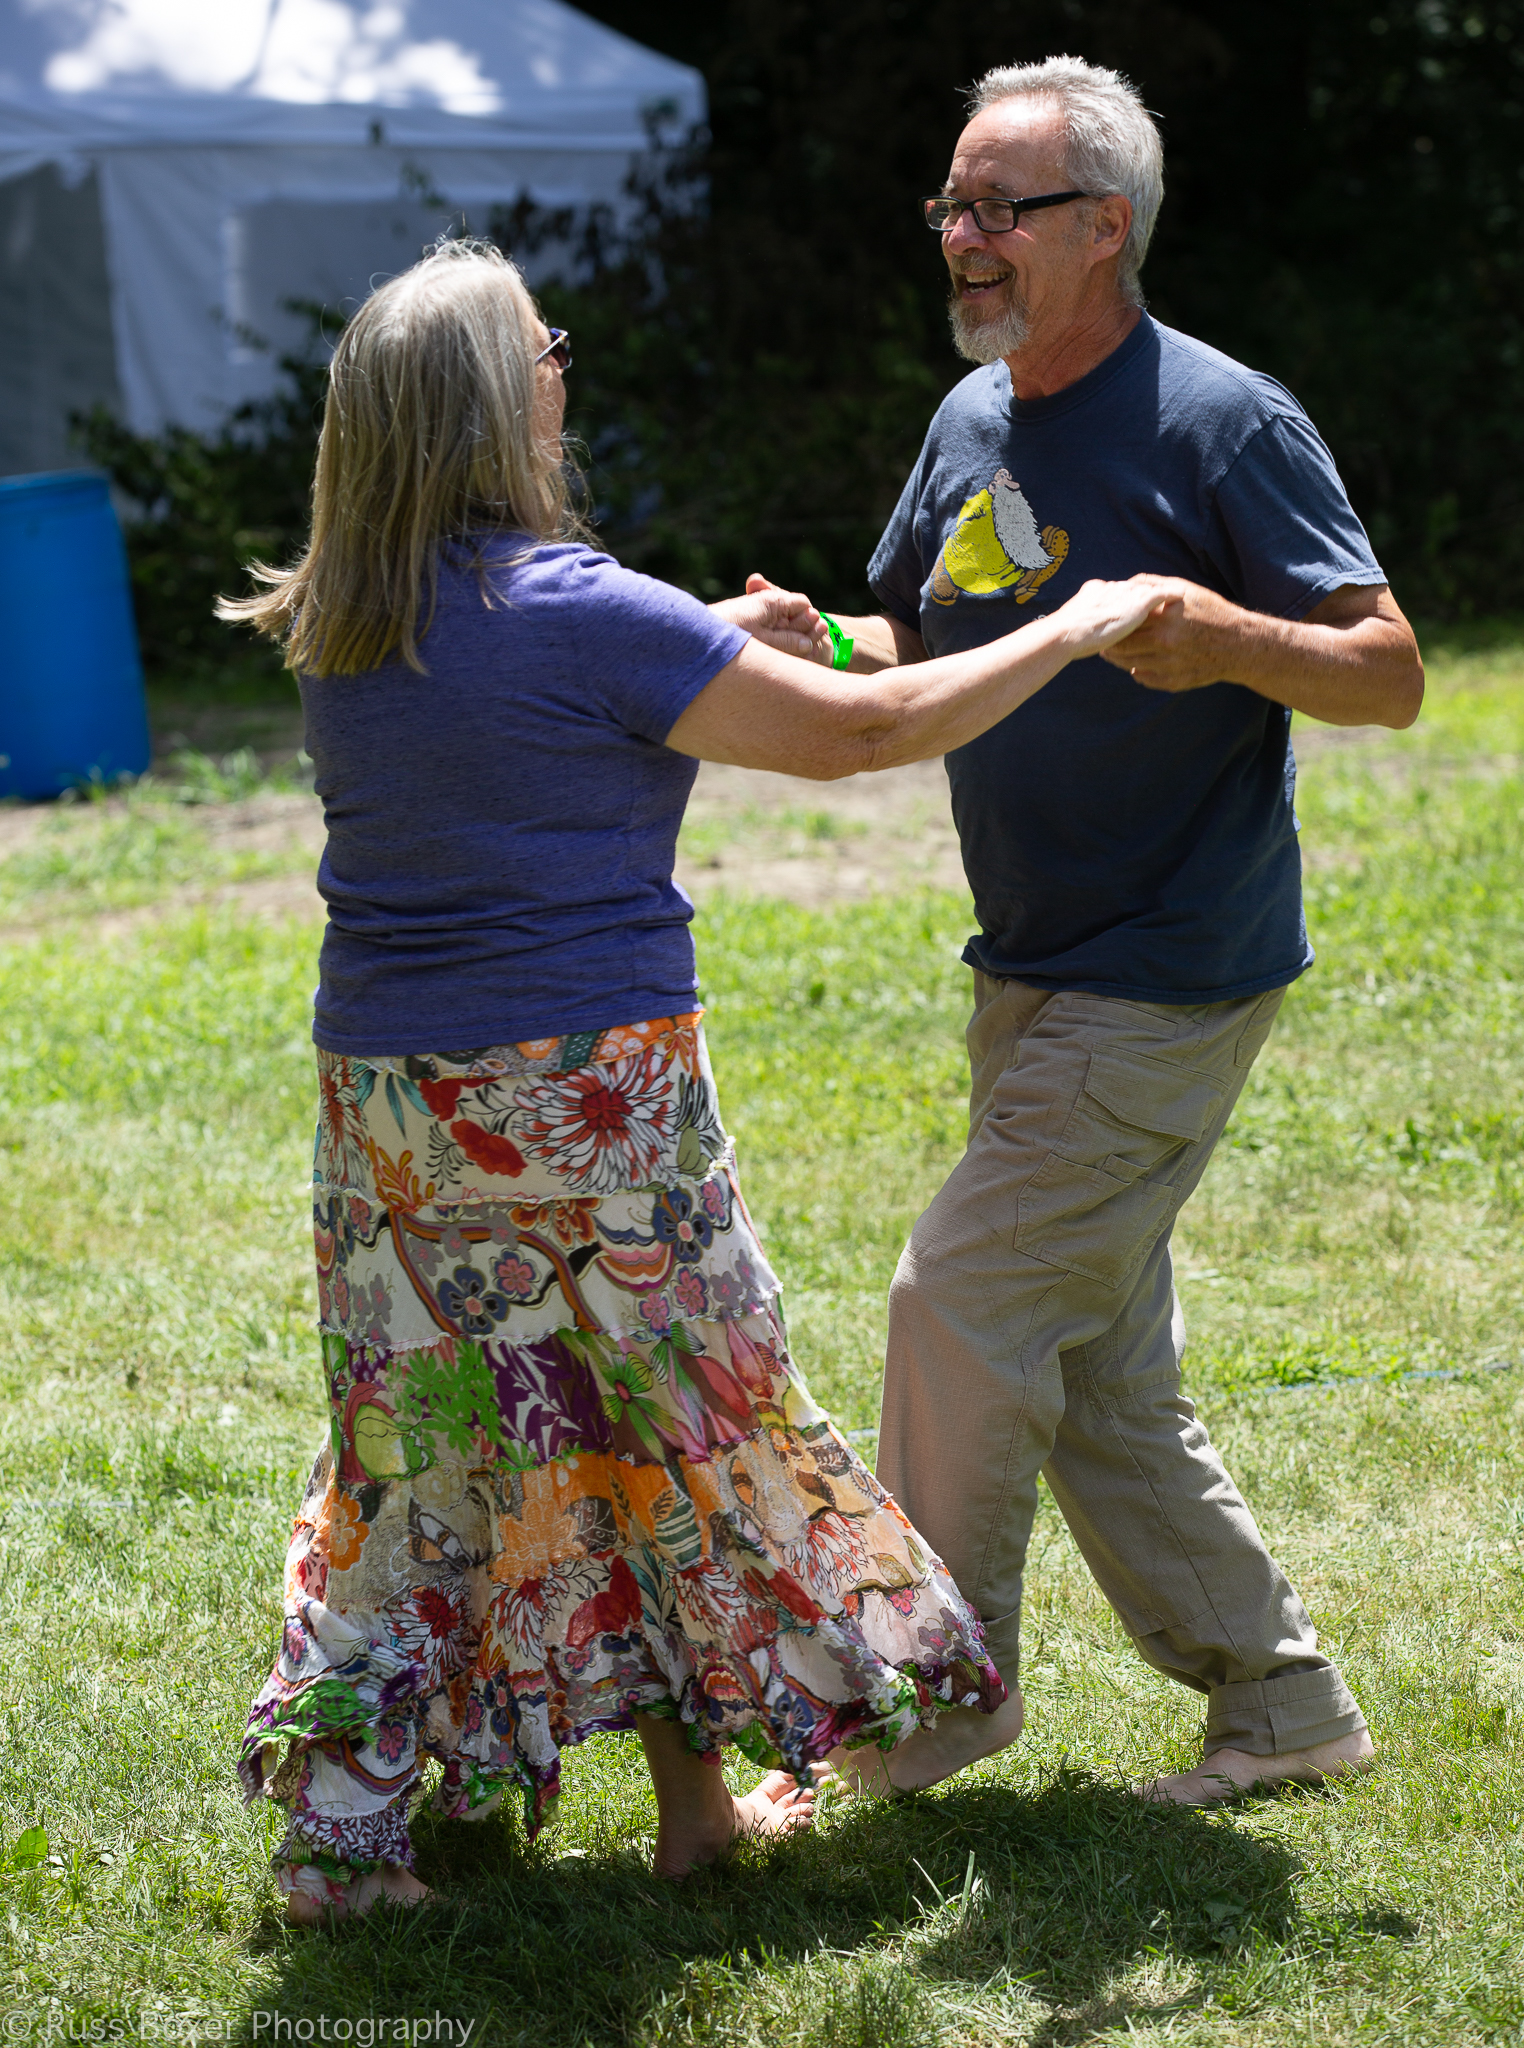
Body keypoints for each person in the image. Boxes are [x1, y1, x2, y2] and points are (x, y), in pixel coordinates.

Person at [218, 239, 1168, 1921]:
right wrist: (1077, 629)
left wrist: (711, 641)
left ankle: (359, 1838)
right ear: (494, 406)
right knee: (687, 1423)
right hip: (594, 1097)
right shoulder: (584, 610)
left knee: (428, 1442)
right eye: (545, 351)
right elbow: (869, 732)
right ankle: (718, 1795)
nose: (560, 371)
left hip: (393, 1108)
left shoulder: (348, 617)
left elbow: (530, 723)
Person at [762, 56, 1424, 1805]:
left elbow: (1390, 669)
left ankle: (934, 1697)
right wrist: (809, 639)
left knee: (960, 1298)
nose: (962, 241)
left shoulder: (1224, 422)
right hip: (1034, 964)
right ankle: (1281, 1710)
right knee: (1103, 1379)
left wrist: (1225, 637)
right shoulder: (969, 420)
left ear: (1103, 226)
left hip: (1174, 969)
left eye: (1000, 209)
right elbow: (926, 639)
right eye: (952, 209)